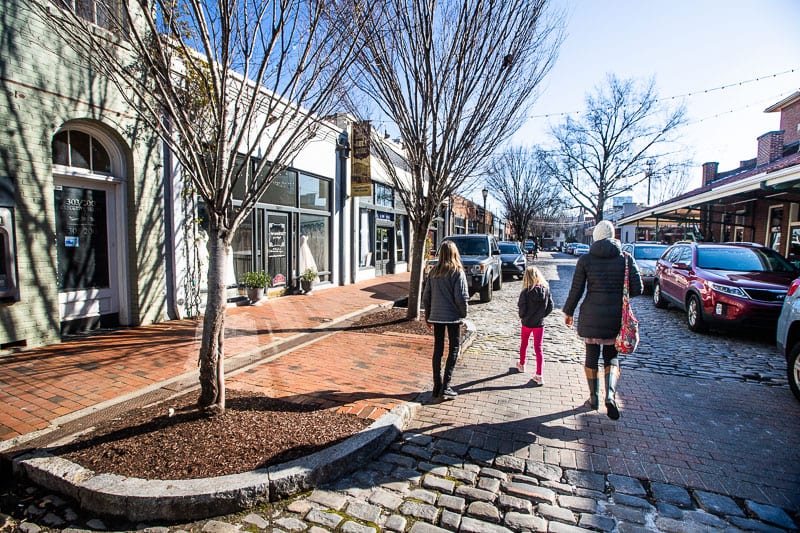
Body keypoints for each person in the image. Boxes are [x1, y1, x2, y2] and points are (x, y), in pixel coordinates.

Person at [562, 221, 642, 420]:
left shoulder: (586, 259)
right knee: (611, 357)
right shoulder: (625, 258)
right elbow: (638, 288)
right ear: (613, 235)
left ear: (595, 236)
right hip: (616, 317)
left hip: (591, 314)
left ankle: (594, 397)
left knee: (591, 355)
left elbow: (576, 289)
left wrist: (569, 312)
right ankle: (611, 396)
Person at [423, 240, 469, 401]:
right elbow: (461, 297)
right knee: (454, 349)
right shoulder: (457, 272)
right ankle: (446, 385)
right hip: (453, 317)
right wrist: (464, 314)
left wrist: (427, 315)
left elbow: (426, 296)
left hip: (437, 316)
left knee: (438, 349)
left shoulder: (434, 272)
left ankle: (437, 385)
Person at [517, 265, 554, 385]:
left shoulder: (525, 292)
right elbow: (550, 306)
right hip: (539, 323)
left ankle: (522, 364)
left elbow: (522, 308)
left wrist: (523, 316)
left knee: (524, 344)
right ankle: (539, 375)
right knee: (538, 348)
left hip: (527, 323)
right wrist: (542, 315)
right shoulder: (546, 289)